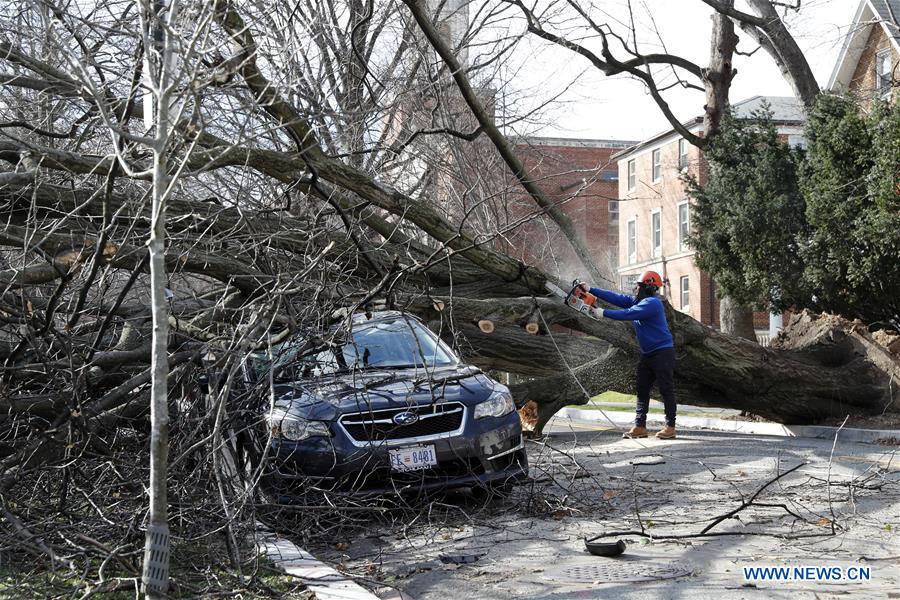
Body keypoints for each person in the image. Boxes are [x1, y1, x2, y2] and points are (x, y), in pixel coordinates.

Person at [577, 271, 677, 439]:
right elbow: (617, 298)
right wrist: (591, 289)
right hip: (648, 353)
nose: (635, 289)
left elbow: (628, 314)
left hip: (662, 352)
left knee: (666, 389)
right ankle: (640, 426)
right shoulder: (639, 301)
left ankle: (670, 427)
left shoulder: (652, 303)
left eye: (638, 286)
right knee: (642, 389)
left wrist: (603, 312)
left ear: (648, 287)